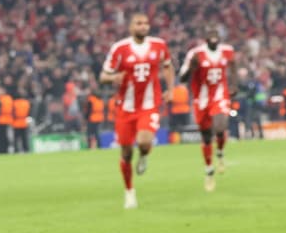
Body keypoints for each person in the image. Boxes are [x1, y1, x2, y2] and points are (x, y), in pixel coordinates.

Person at [99, 13, 174, 209]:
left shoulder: (159, 45)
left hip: (149, 105)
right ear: (130, 27)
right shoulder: (120, 49)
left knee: (143, 141)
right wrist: (113, 78)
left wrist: (171, 89)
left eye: (146, 23)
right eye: (139, 23)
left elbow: (167, 66)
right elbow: (103, 75)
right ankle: (129, 191)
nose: (143, 26)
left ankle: (144, 155)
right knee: (125, 152)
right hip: (125, 107)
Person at [179, 26, 236, 192]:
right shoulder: (195, 54)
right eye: (210, 34)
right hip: (201, 99)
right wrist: (191, 67)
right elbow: (182, 78)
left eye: (216, 34)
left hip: (220, 95)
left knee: (220, 126)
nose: (213, 37)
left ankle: (220, 153)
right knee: (205, 137)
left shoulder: (227, 51)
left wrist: (233, 85)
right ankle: (209, 170)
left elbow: (232, 66)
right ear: (205, 38)